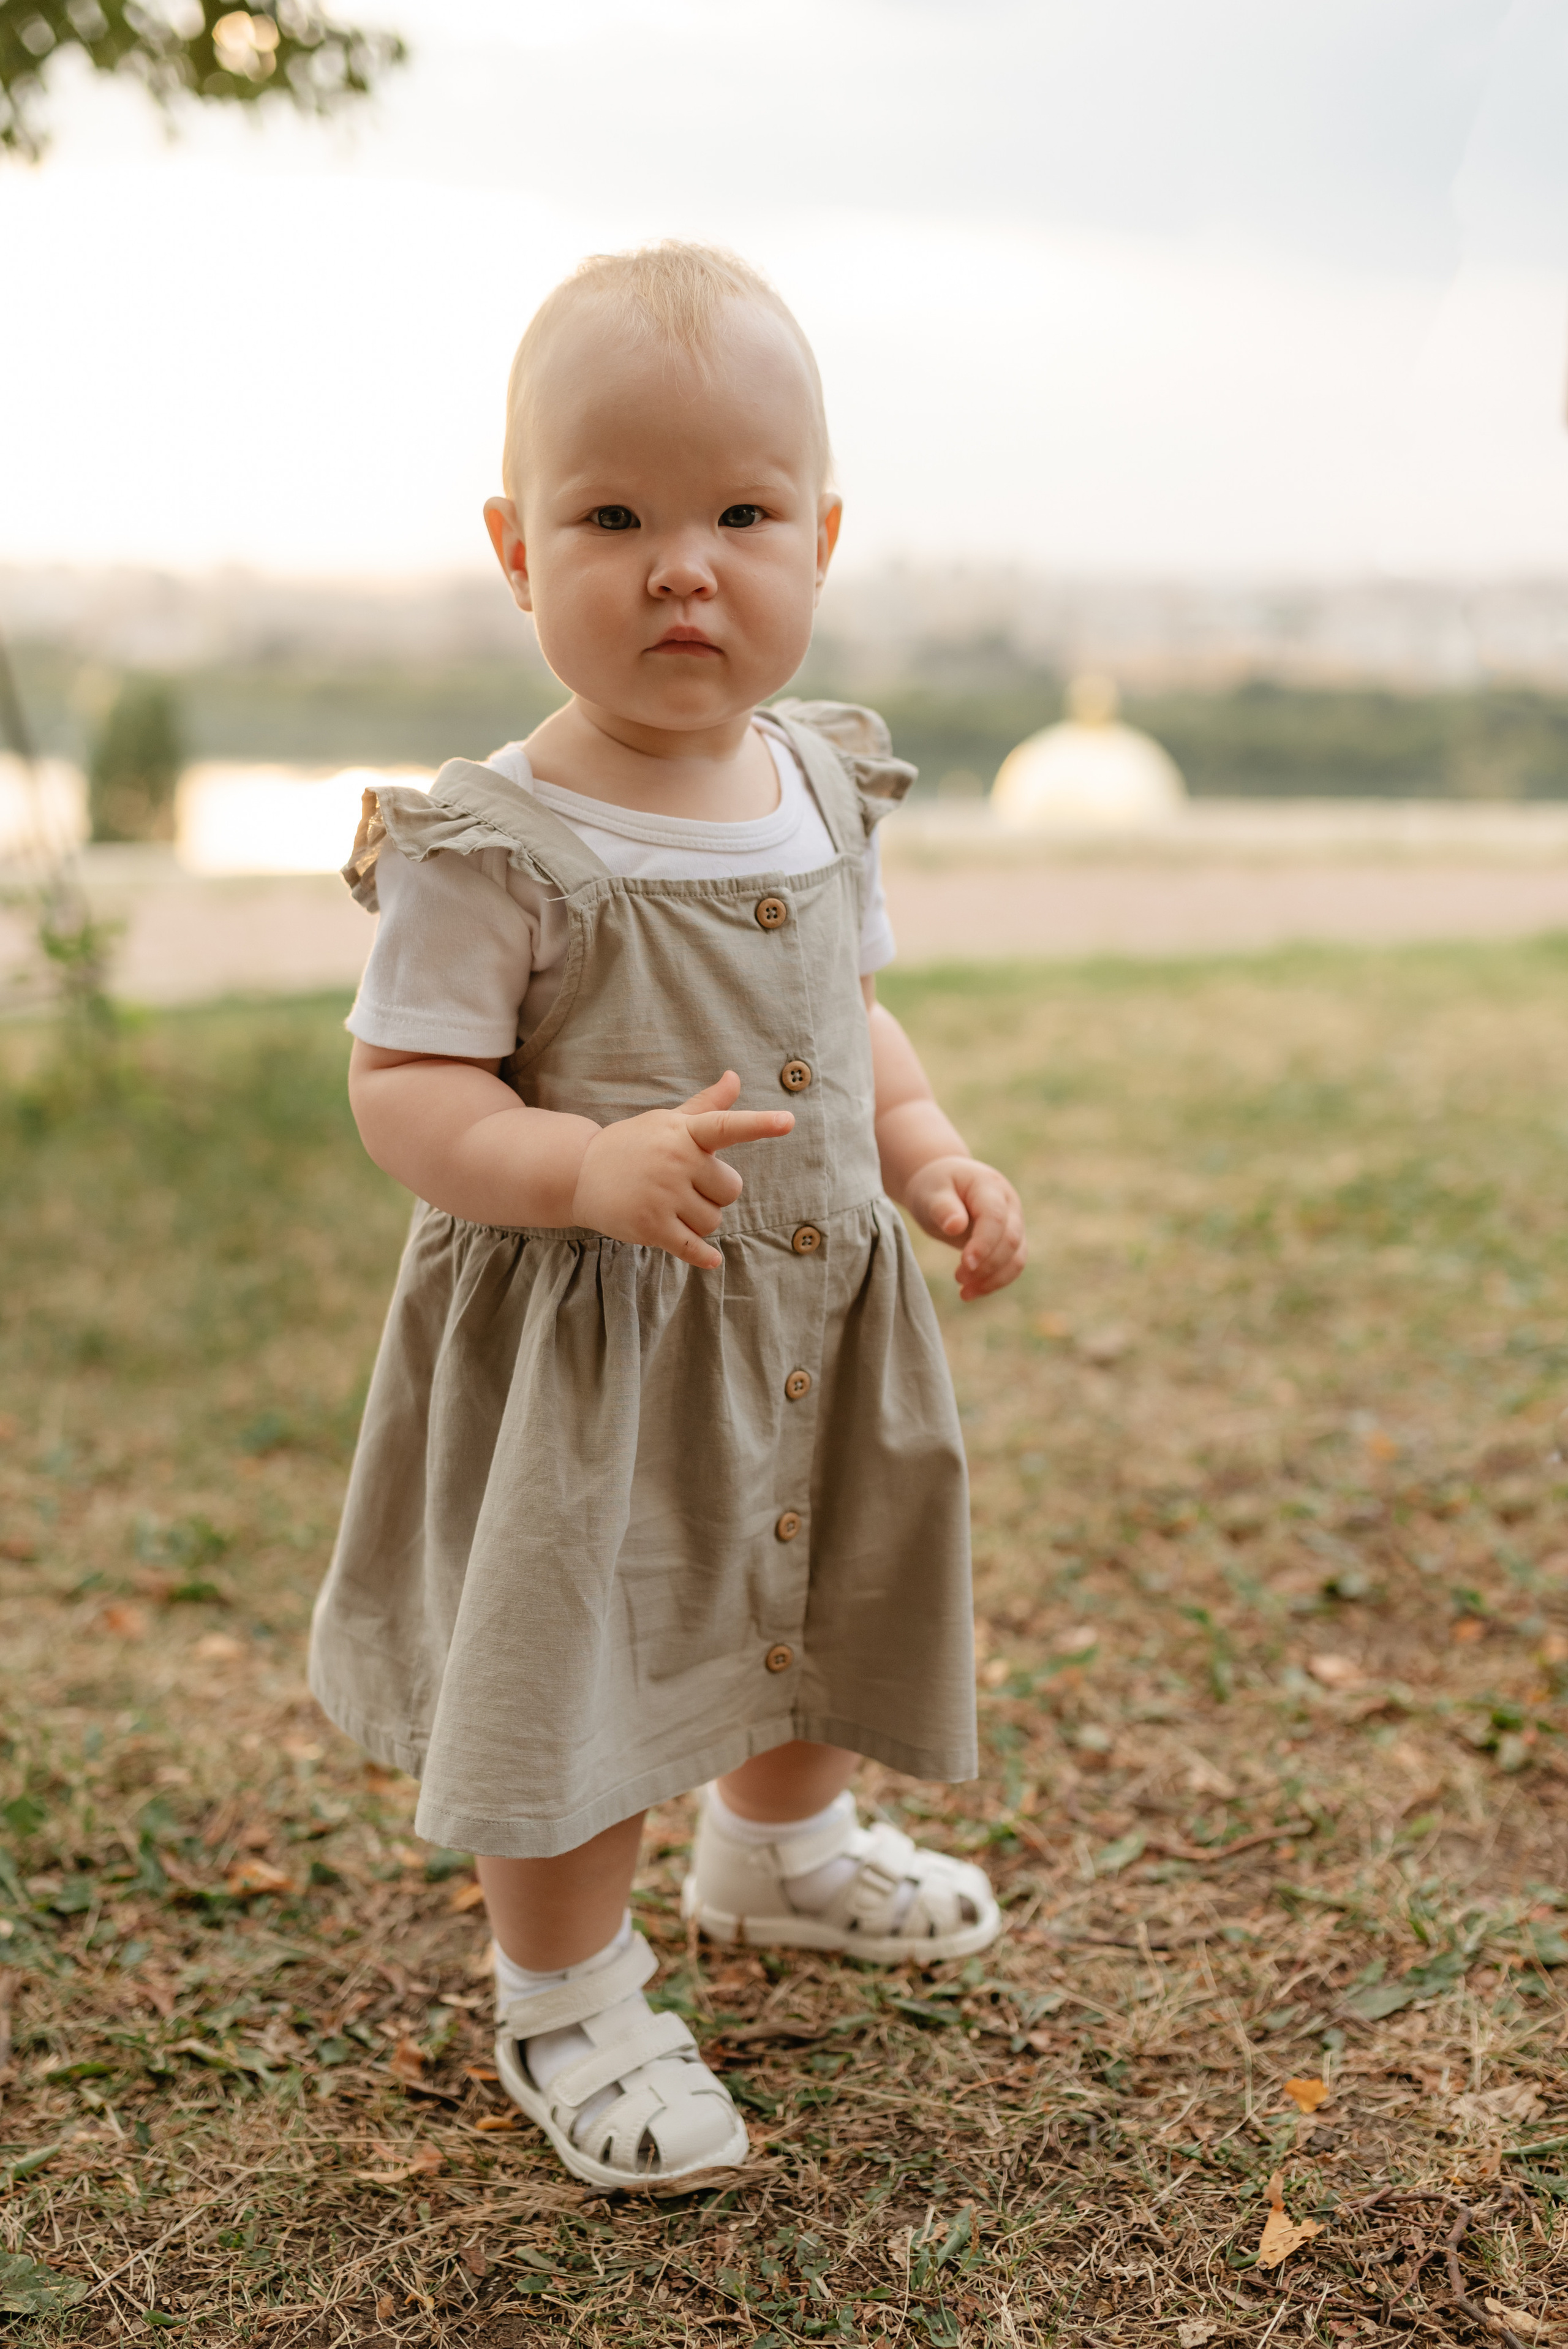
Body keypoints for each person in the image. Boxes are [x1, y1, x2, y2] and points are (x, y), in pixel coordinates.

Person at [309, 242, 1028, 2191]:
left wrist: (931, 1153)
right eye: (613, 518)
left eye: (742, 517)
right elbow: (405, 1088)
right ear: (516, 550)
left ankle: (780, 1848)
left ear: (824, 539)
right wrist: (578, 1164)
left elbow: (850, 1019)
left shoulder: (818, 784)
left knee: (819, 1591)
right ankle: (565, 1989)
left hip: (807, 1312)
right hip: (596, 1358)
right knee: (583, 1658)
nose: (681, 568)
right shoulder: (499, 840)